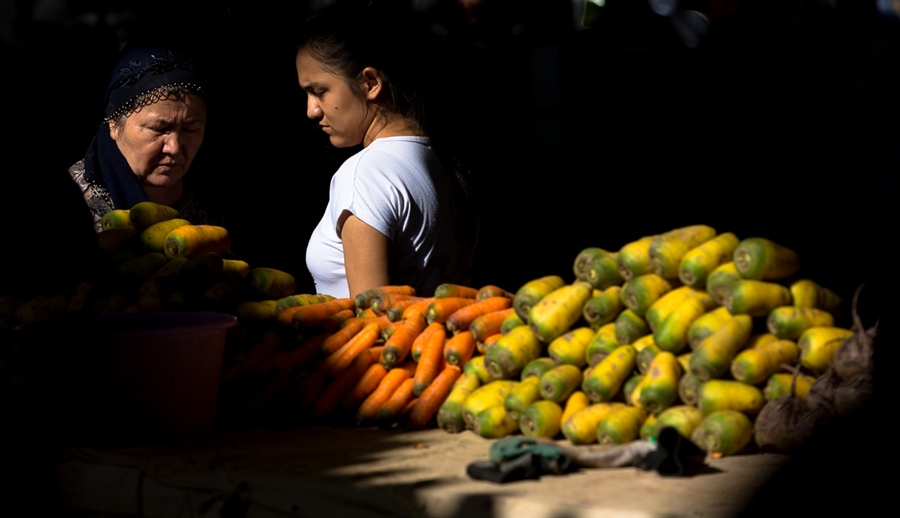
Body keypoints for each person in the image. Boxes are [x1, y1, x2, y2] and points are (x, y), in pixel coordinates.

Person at [295, 1, 479, 299]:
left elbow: (373, 322)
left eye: (319, 91)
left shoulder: (365, 174)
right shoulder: (439, 160)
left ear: (370, 83)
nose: (311, 111)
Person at [68, 35, 225, 233]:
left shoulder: (214, 192)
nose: (174, 147)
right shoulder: (72, 205)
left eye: (190, 129)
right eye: (158, 129)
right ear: (114, 122)